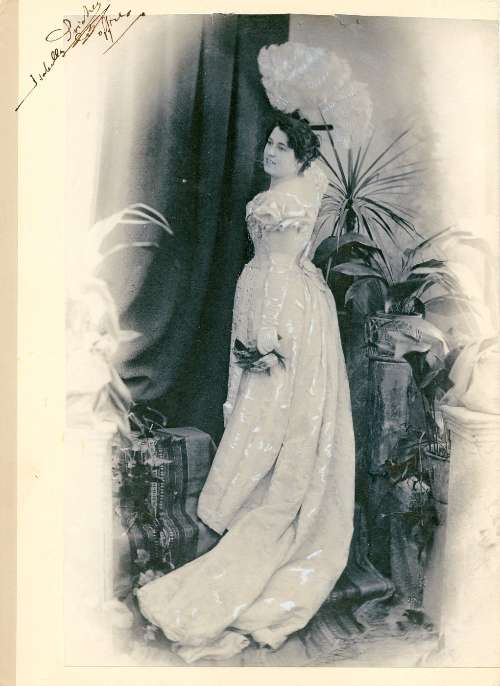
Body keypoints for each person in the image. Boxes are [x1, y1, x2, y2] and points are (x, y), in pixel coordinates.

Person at [137, 111, 355, 662]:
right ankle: (240, 508)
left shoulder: (292, 199)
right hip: (265, 293)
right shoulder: (289, 192)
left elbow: (283, 269)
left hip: (281, 307)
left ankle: (250, 518)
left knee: (270, 410)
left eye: (282, 146)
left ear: (302, 157)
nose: (269, 151)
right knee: (254, 408)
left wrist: (269, 334)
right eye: (269, 142)